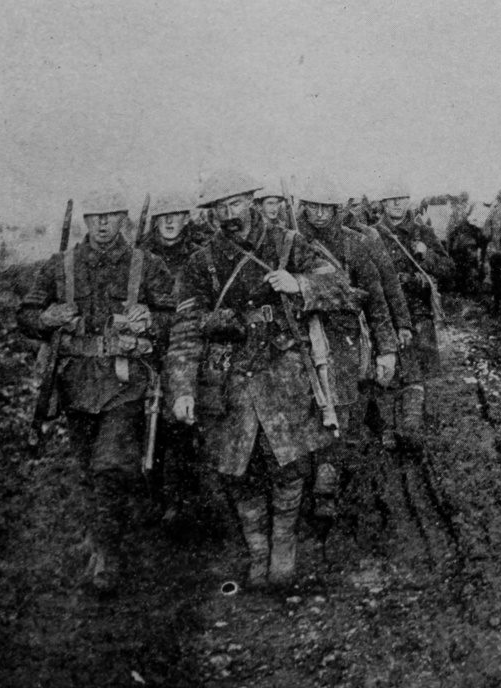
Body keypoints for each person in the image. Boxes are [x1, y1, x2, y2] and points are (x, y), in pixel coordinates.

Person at [167, 169, 358, 588]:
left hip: (283, 372)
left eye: (235, 203)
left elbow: (342, 287)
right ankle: (257, 550)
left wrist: (299, 283)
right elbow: (184, 330)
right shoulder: (201, 262)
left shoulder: (288, 243)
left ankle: (283, 547)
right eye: (219, 208)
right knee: (237, 469)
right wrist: (181, 389)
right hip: (228, 376)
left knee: (288, 464)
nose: (228, 214)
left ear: (252, 202)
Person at [18, 189, 176, 592]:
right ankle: (102, 532)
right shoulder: (61, 265)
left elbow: (173, 317)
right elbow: (26, 315)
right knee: (90, 468)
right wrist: (47, 317)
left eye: (110, 215)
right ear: (85, 221)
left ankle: (108, 554)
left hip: (125, 383)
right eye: (95, 217)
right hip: (76, 383)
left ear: (123, 217)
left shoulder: (147, 265)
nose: (103, 224)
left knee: (110, 466)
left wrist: (149, 320)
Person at [295, 174, 400, 518]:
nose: (319, 213)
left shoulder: (355, 244)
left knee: (341, 410)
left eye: (326, 207)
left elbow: (377, 301)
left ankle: (328, 480)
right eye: (313, 206)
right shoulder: (290, 242)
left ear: (336, 208)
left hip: (344, 338)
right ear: (303, 207)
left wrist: (387, 349)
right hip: (300, 337)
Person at [139, 191, 209, 526]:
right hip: (148, 351)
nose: (169, 221)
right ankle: (152, 495)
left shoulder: (199, 256)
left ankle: (184, 499)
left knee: (185, 427)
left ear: (186, 218)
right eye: (162, 215)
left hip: (188, 349)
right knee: (146, 426)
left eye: (176, 214)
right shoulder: (139, 257)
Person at [371, 181, 454, 447]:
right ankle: (387, 425)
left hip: (418, 312)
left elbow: (449, 269)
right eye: (391, 199)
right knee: (386, 369)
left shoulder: (422, 232)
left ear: (408, 201)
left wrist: (426, 256)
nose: (397, 203)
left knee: (419, 369)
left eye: (401, 198)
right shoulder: (371, 234)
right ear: (383, 203)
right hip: (384, 314)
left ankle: (411, 425)